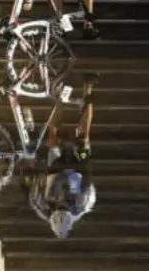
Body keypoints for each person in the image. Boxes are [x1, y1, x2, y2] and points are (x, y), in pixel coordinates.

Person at [24, 74, 97, 239]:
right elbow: (89, 181)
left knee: (53, 137)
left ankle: (57, 94)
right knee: (84, 137)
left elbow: (31, 190)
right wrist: (84, 160)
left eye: (59, 206)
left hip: (55, 170)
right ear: (71, 212)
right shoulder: (83, 205)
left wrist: (31, 173)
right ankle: (88, 89)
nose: (62, 204)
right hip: (78, 169)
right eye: (65, 207)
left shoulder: (42, 208)